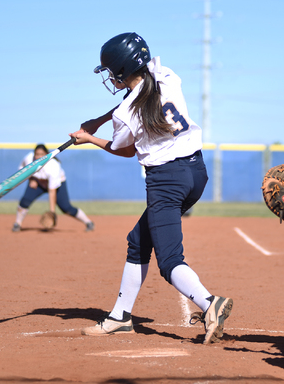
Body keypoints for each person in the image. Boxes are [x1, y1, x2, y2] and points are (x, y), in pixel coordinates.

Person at [69, 32, 233, 343]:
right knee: (138, 242)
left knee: (169, 261)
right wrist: (99, 120)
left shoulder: (124, 113)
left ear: (120, 69)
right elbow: (136, 97)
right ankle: (120, 316)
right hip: (196, 172)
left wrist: (90, 137)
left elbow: (125, 149)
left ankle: (211, 304)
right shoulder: (166, 76)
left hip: (166, 181)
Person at [12, 144, 94, 232]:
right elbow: (22, 171)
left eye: (42, 154)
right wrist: (31, 179)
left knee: (66, 208)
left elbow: (52, 191)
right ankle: (17, 224)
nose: (39, 157)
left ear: (47, 154)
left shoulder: (53, 166)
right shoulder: (28, 159)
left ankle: (88, 222)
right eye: (37, 154)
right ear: (34, 154)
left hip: (58, 184)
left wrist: (52, 212)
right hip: (38, 183)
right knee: (25, 200)